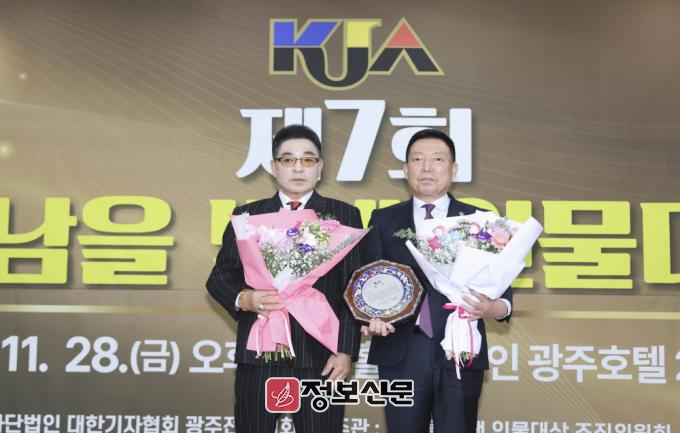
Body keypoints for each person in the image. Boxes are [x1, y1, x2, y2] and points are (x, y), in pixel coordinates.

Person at [206, 124, 362, 433]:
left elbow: (352, 288)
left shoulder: (344, 215)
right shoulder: (247, 216)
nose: (298, 168)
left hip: (321, 355)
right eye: (288, 160)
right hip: (260, 353)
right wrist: (245, 298)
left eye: (308, 160)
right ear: (274, 167)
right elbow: (221, 276)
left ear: (320, 167)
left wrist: (345, 351)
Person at [361, 128, 512, 433]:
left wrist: (493, 308)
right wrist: (369, 316)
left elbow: (503, 292)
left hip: (460, 346)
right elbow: (369, 280)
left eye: (437, 160)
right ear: (405, 169)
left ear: (454, 169)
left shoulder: (480, 220)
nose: (427, 167)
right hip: (402, 350)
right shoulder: (383, 220)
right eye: (418, 159)